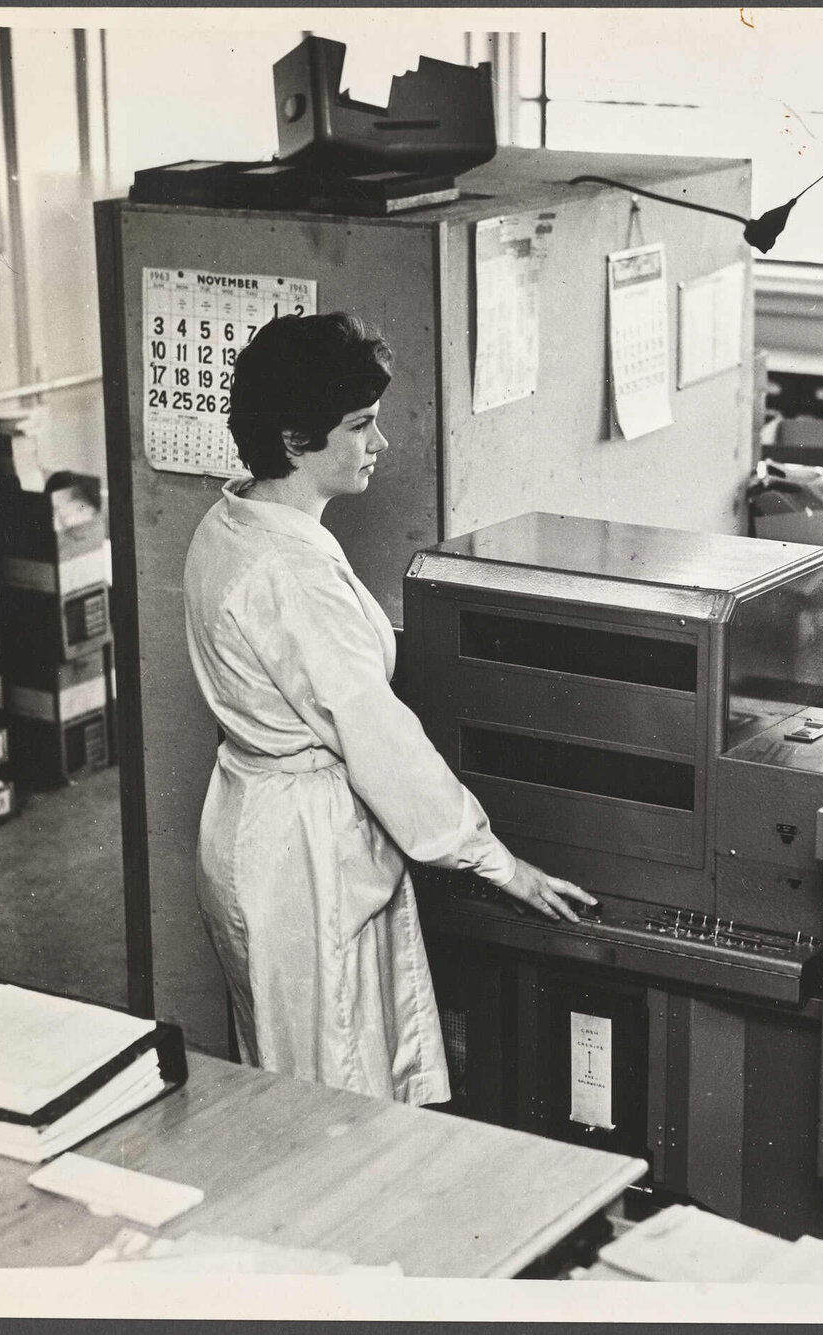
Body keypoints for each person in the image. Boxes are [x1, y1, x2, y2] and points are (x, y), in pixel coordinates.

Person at [183, 313, 593, 1105]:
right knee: (335, 1092)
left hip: (248, 823)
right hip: (302, 855)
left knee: (286, 1063)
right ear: (298, 440)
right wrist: (498, 862)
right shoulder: (291, 576)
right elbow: (379, 739)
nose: (381, 443)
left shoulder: (230, 524)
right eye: (360, 425)